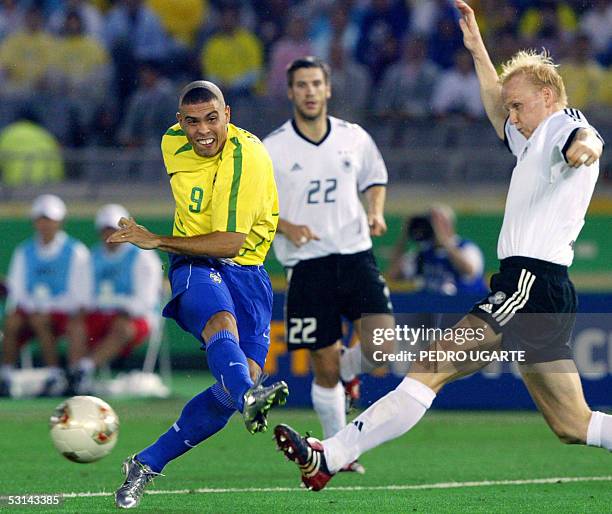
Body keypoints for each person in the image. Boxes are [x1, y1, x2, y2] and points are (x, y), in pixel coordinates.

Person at [272, 1, 610, 491]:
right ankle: (333, 453)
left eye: (519, 106)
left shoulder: (561, 125)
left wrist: (587, 147)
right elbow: (498, 101)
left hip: (528, 287)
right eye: (510, 108)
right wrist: (477, 48)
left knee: (432, 362)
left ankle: (331, 454)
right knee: (573, 424)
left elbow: (584, 137)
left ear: (548, 93)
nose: (510, 116)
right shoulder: (531, 137)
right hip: (541, 289)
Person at [110, 80, 288, 509]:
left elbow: (230, 243)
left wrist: (157, 240)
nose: (203, 130)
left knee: (230, 392)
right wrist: (168, 246)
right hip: (196, 266)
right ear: (179, 123)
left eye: (212, 118)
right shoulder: (171, 143)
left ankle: (145, 463)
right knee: (219, 324)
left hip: (246, 269)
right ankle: (251, 395)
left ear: (229, 114)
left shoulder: (248, 157)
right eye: (192, 121)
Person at [263, 57, 395, 475]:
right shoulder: (272, 149)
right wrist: (285, 225)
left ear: (328, 89)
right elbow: (252, 208)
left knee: (381, 349)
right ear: (290, 92)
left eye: (316, 83)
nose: (309, 91)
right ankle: (341, 451)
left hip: (356, 254)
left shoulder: (353, 137)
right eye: (301, 84)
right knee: (323, 368)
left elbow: (375, 177)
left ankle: (350, 376)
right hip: (307, 265)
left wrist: (375, 211)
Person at [0, 194, 91, 397]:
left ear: (59, 222)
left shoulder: (75, 251)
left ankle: (55, 374)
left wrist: (47, 307)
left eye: (49, 219)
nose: (45, 225)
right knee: (12, 321)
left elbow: (79, 294)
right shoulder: (24, 251)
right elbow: (17, 291)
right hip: (34, 310)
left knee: (41, 321)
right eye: (41, 219)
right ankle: (5, 376)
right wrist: (36, 306)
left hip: (63, 313)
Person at [67, 204, 163, 395]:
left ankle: (84, 369)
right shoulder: (91, 257)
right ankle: (72, 376)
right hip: (101, 313)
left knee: (122, 326)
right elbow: (84, 297)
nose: (111, 235)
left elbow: (145, 301)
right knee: (76, 325)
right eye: (106, 230)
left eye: (115, 229)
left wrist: (120, 306)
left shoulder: (143, 257)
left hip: (135, 319)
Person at [388, 204, 487, 297]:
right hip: (432, 309)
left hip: (463, 306)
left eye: (436, 222)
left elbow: (469, 271)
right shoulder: (423, 252)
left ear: (449, 224)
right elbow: (394, 275)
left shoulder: (465, 247)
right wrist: (405, 235)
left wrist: (443, 241)